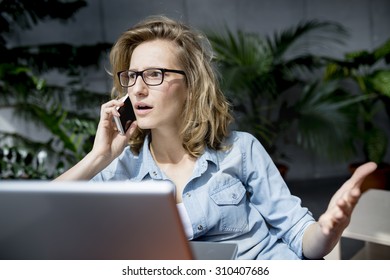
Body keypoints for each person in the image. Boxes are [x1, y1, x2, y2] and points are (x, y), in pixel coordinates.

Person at [55, 15, 377, 260]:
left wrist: (326, 229)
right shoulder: (120, 169)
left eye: (155, 74)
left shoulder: (241, 150)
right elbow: (38, 221)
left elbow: (302, 238)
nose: (137, 88)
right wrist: (98, 158)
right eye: (132, 76)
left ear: (191, 85)